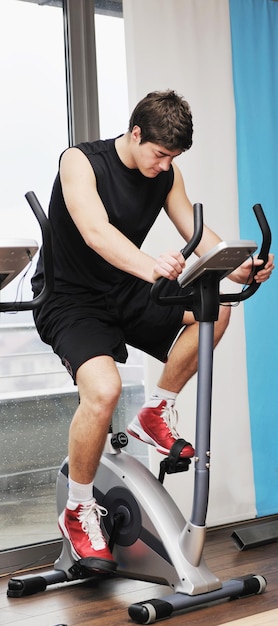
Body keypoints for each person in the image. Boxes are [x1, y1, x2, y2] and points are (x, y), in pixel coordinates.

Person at [32, 90, 274, 574]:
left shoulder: (165, 174)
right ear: (135, 132)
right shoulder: (80, 162)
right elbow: (96, 231)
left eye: (173, 158)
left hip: (124, 288)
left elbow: (197, 234)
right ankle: (79, 508)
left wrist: (239, 267)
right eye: (159, 154)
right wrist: (150, 267)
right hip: (69, 298)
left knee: (215, 310)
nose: (164, 166)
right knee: (103, 391)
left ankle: (155, 412)